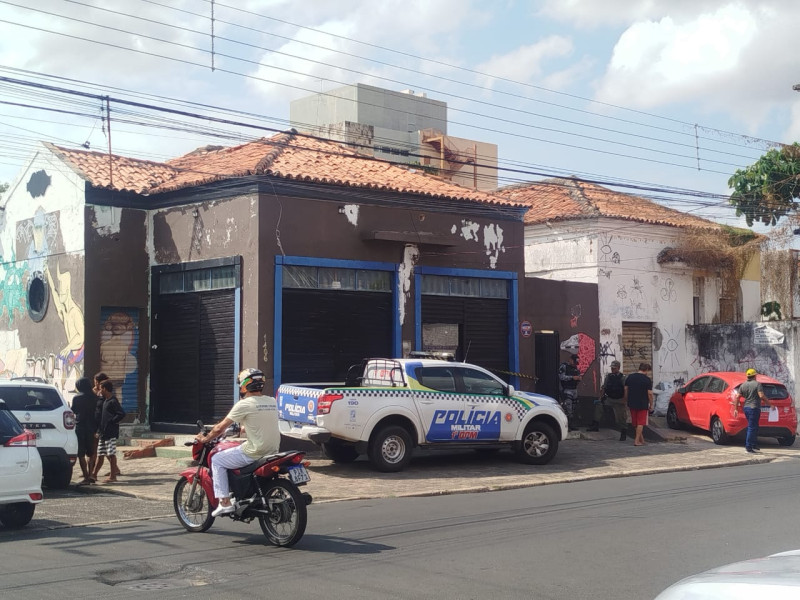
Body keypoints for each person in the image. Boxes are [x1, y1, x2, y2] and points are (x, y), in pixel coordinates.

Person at [195, 368, 281, 517]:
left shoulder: (244, 404)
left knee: (216, 459)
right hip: (273, 450)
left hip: (255, 451)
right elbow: (261, 422)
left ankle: (225, 503)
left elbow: (220, 428)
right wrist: (243, 429)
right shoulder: (272, 401)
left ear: (244, 385)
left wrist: (205, 438)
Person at [90, 380, 126, 483]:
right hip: (103, 433)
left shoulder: (113, 401)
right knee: (100, 454)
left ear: (105, 389)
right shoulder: (105, 401)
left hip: (110, 432)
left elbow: (121, 413)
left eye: (101, 388)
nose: (100, 390)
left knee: (111, 454)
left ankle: (113, 476)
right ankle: (94, 475)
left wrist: (112, 421)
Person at [587, 360, 628, 440]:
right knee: (599, 406)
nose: (612, 370)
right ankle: (595, 425)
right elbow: (604, 387)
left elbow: (626, 389)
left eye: (614, 368)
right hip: (609, 398)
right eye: (612, 368)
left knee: (621, 417)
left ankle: (624, 431)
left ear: (618, 368)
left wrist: (625, 400)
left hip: (619, 400)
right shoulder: (609, 377)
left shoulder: (623, 378)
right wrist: (600, 398)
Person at [733, 368, 770, 453]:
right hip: (754, 408)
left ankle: (753, 444)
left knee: (754, 427)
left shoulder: (743, 385)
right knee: (752, 427)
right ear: (755, 376)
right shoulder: (757, 384)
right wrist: (769, 403)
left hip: (746, 408)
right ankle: (748, 447)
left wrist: (735, 409)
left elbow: (737, 397)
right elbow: (761, 396)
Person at [71, 377, 98, 484]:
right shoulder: (95, 397)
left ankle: (86, 476)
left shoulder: (77, 398)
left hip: (80, 427)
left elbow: (74, 410)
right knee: (91, 453)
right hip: (92, 427)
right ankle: (91, 474)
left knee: (81, 453)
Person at [624, 363, 653, 447]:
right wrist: (651, 404)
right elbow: (650, 393)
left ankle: (641, 439)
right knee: (641, 422)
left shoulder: (630, 377)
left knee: (635, 422)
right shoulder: (647, 380)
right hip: (642, 403)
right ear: (646, 370)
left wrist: (626, 400)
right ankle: (636, 441)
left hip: (632, 402)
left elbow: (626, 389)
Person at [558, 354, 581, 430]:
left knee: (574, 408)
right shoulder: (564, 366)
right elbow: (561, 377)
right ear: (570, 360)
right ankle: (566, 426)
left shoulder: (576, 368)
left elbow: (578, 376)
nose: (575, 364)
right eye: (574, 362)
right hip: (567, 389)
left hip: (574, 389)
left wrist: (578, 378)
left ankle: (571, 425)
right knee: (568, 408)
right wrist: (572, 378)